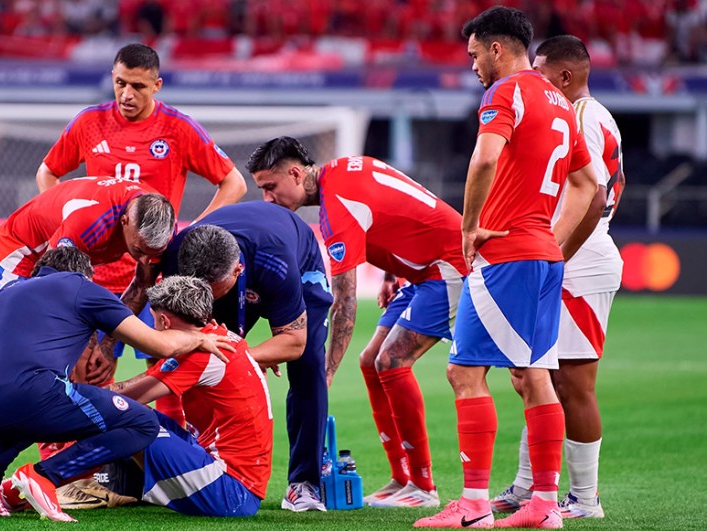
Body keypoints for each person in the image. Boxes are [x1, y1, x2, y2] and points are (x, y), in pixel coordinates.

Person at [415, 7, 599, 529]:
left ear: (497, 49)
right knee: (534, 376)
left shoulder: (506, 93)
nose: (472, 66)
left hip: (505, 257)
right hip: (542, 257)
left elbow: (484, 159)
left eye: (474, 54)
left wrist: (469, 226)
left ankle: (473, 506)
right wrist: (551, 238)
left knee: (464, 372)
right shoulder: (562, 102)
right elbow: (587, 185)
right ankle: (543, 505)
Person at [246, 136, 469, 508]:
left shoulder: (337, 206)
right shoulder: (347, 168)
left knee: (391, 362)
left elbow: (344, 302)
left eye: (271, 187)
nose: (267, 198)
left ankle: (424, 487)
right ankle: (401, 479)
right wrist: (389, 272)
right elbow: (398, 209)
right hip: (420, 271)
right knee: (371, 362)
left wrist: (325, 373)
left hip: (449, 268)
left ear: (296, 173)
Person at [0, 246, 234, 522]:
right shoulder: (81, 288)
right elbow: (158, 344)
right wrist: (200, 338)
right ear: (86, 275)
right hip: (27, 395)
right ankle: (45, 476)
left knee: (22, 409)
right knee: (142, 423)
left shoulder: (8, 291)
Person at [37, 42, 246, 417]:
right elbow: (48, 171)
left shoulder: (178, 129)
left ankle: (175, 457)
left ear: (157, 85)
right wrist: (64, 218)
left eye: (138, 86)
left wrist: (186, 235)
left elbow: (234, 183)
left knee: (170, 368)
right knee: (87, 374)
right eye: (120, 83)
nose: (126, 94)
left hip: (154, 277)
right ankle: (92, 471)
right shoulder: (89, 122)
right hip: (95, 276)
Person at [491, 35, 625, 520]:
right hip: (573, 256)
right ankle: (530, 487)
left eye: (542, 71)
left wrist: (557, 253)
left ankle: (586, 500)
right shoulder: (598, 116)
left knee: (572, 384)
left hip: (578, 262)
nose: (534, 80)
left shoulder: (581, 117)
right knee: (538, 376)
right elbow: (615, 188)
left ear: (564, 76)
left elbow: (593, 194)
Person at [149, 201, 333, 512]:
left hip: (297, 265)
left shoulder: (276, 263)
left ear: (238, 270)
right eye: (199, 290)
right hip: (228, 270)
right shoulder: (177, 254)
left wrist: (243, 359)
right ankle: (204, 454)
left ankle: (304, 482)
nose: (206, 299)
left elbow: (293, 342)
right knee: (198, 354)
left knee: (308, 364)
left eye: (214, 291)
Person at [106, 275, 273, 517]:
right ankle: (123, 485)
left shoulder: (200, 356)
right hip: (237, 485)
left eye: (153, 323)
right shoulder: (217, 336)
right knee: (124, 412)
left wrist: (70, 393)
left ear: (164, 321)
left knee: (119, 412)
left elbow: (130, 397)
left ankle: (68, 478)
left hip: (231, 494)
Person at [0, 176, 174, 293]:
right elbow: (52, 283)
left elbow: (143, 285)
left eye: (155, 253)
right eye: (139, 250)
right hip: (18, 252)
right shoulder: (90, 222)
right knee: (23, 326)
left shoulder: (162, 219)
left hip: (59, 250)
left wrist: (106, 344)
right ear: (124, 221)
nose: (145, 261)